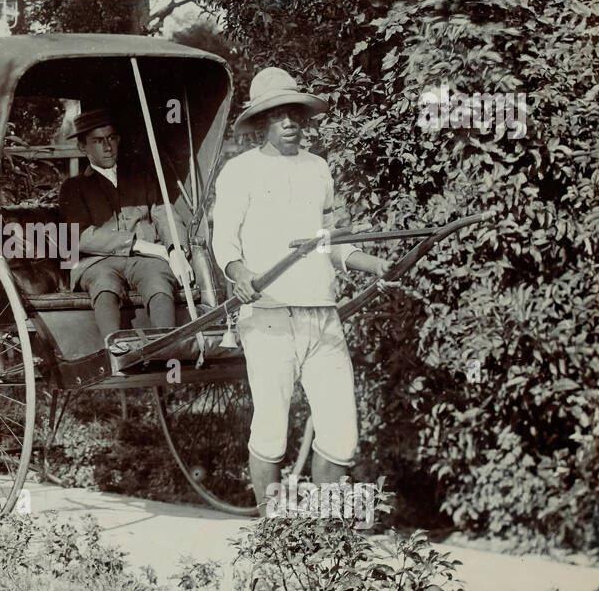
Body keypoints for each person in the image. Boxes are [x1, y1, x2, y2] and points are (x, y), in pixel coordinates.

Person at [210, 67, 392, 510]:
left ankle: (330, 541)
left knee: (341, 433)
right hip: (269, 316)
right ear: (260, 123)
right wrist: (240, 273)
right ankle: (274, 534)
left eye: (295, 114)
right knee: (272, 428)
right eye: (277, 116)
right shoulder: (240, 172)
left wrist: (373, 264)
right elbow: (224, 243)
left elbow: (330, 243)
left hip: (322, 314)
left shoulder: (318, 169)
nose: (289, 123)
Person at [58, 109, 195, 348]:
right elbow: (78, 236)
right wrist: (139, 244)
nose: (107, 146)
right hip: (97, 261)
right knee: (103, 282)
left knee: (158, 276)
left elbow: (165, 215)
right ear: (83, 147)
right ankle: (117, 351)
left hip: (146, 260)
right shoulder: (74, 187)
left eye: (111, 138)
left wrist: (175, 250)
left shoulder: (142, 179)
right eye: (98, 141)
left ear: (118, 140)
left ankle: (166, 346)